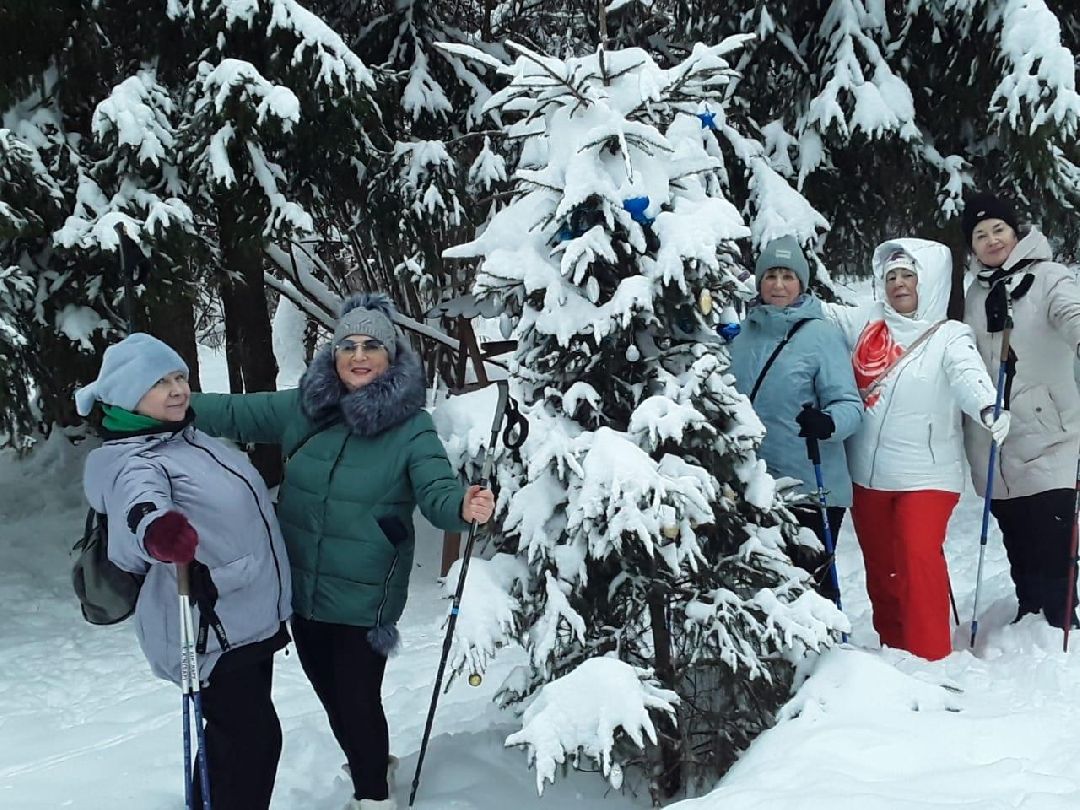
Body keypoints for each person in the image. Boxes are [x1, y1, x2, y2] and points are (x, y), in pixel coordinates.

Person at [191, 293, 495, 810]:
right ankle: (372, 763)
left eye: (372, 345)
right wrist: (165, 402)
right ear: (332, 353)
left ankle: (373, 796)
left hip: (365, 596)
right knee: (334, 699)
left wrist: (463, 505)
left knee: (356, 701)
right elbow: (232, 412)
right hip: (302, 590)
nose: (358, 355)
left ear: (391, 354)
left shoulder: (411, 427)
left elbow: (437, 492)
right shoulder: (304, 409)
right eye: (348, 344)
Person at [77, 333, 292, 810]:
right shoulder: (132, 460)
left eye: (180, 377)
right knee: (250, 745)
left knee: (235, 745)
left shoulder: (186, 439)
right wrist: (158, 532)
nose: (176, 390)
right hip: (207, 628)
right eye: (159, 382)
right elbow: (140, 508)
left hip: (245, 617)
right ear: (127, 395)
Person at [824, 239, 1010, 660]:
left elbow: (968, 374)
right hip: (867, 474)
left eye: (909, 276)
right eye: (891, 277)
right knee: (881, 567)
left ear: (929, 281)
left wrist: (987, 406)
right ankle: (894, 651)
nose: (899, 285)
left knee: (916, 557)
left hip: (927, 474)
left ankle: (930, 658)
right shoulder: (869, 322)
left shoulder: (950, 335)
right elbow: (823, 314)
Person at [960, 192, 1080, 629]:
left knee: (1053, 538)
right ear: (971, 246)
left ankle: (1060, 621)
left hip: (1050, 434)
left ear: (1015, 231)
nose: (992, 240)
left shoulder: (1050, 277)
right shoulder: (974, 295)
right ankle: (1028, 614)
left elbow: (1071, 313)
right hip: (995, 441)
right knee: (1017, 536)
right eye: (980, 235)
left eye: (999, 230)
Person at [729, 235, 863, 601]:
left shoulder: (821, 335)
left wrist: (827, 422)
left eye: (787, 276)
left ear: (801, 283)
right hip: (755, 486)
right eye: (771, 275)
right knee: (767, 588)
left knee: (812, 587)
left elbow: (850, 405)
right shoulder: (742, 335)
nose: (778, 285)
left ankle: (831, 655)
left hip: (811, 486)